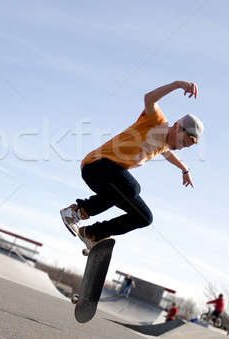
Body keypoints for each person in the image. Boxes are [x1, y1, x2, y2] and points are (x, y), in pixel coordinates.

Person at [60, 80, 204, 251]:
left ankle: (92, 234)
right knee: (132, 188)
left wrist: (184, 169)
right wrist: (178, 85)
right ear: (177, 127)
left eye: (185, 147)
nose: (180, 147)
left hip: (109, 180)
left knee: (144, 216)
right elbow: (149, 98)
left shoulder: (163, 146)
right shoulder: (156, 122)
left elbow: (169, 155)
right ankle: (76, 212)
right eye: (183, 141)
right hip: (95, 165)